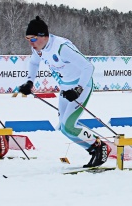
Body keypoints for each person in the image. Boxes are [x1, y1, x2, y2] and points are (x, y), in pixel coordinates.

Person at [15, 15, 109, 168]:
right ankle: (93, 150)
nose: (30, 43)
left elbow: (88, 67)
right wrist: (30, 82)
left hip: (81, 86)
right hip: (65, 87)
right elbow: (33, 63)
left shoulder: (61, 48)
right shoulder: (39, 49)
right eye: (27, 39)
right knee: (64, 128)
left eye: (32, 39)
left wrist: (78, 90)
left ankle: (100, 146)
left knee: (69, 125)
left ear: (43, 36)